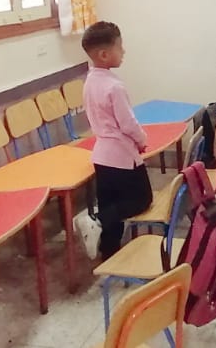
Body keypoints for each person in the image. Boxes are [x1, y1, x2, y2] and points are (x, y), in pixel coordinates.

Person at [81, 20, 153, 260]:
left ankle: (109, 255)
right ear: (104, 54)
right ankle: (96, 220)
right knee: (141, 200)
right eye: (119, 47)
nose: (124, 51)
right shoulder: (114, 86)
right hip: (122, 157)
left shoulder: (90, 82)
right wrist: (142, 140)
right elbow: (128, 124)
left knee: (111, 205)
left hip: (102, 156)